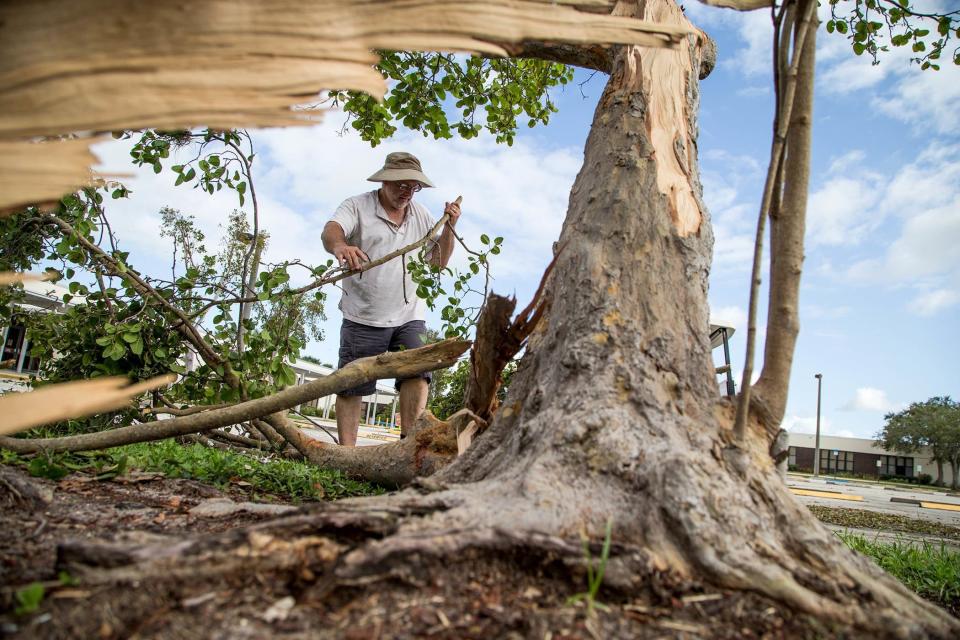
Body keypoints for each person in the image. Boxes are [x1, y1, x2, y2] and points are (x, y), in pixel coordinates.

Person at [321, 152, 462, 446]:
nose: (406, 192)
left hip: (409, 314)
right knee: (352, 385)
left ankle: (408, 446)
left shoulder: (421, 215)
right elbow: (330, 231)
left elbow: (438, 261)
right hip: (363, 314)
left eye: (413, 187)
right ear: (385, 179)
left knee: (417, 372)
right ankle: (346, 453)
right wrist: (341, 247)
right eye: (401, 184)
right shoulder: (357, 206)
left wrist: (449, 226)